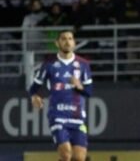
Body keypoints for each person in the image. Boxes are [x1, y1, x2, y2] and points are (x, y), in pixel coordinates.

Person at [28, 30, 93, 161]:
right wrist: (34, 96)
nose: (67, 41)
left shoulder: (83, 64)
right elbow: (34, 87)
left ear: (74, 43)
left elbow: (89, 92)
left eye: (70, 39)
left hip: (77, 116)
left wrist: (79, 86)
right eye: (63, 39)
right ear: (57, 43)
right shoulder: (49, 64)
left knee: (79, 158)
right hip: (58, 116)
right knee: (66, 154)